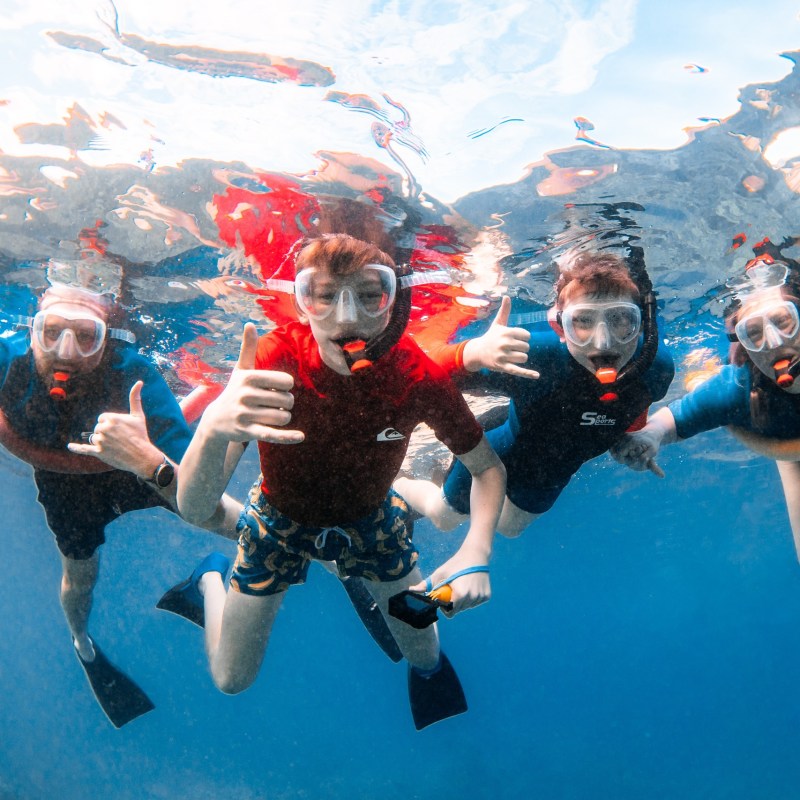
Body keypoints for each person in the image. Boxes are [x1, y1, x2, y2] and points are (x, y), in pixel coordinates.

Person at [161, 233, 506, 730]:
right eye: (324, 295)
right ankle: (210, 579)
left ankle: (404, 578)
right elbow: (195, 508)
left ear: (396, 302)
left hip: (373, 520)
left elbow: (487, 468)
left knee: (425, 656)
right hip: (277, 522)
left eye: (370, 295)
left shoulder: (416, 374)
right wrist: (215, 425)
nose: (347, 318)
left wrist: (478, 551)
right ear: (302, 303)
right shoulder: (273, 360)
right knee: (232, 679)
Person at [0, 281, 240, 727]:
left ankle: (212, 578)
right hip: (65, 487)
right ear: (31, 329)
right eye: (51, 331)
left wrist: (154, 462)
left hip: (139, 466)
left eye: (85, 335)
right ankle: (83, 644)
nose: (66, 351)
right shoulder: (8, 359)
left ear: (107, 339)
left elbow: (195, 486)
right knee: (80, 576)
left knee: (238, 526)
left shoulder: (136, 375)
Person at [396, 248, 675, 537]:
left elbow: (631, 411)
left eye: (620, 319)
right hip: (498, 452)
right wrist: (473, 353)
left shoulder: (657, 369)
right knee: (446, 517)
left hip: (554, 471)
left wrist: (626, 440)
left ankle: (441, 473)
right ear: (559, 326)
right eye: (583, 321)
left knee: (508, 529)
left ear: (641, 324)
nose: (603, 343)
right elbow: (424, 372)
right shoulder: (540, 357)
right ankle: (400, 484)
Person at [611, 255, 800, 560]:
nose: (773, 343)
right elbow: (672, 419)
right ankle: (699, 370)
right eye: (754, 333)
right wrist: (648, 437)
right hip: (782, 435)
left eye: (783, 322)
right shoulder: (737, 388)